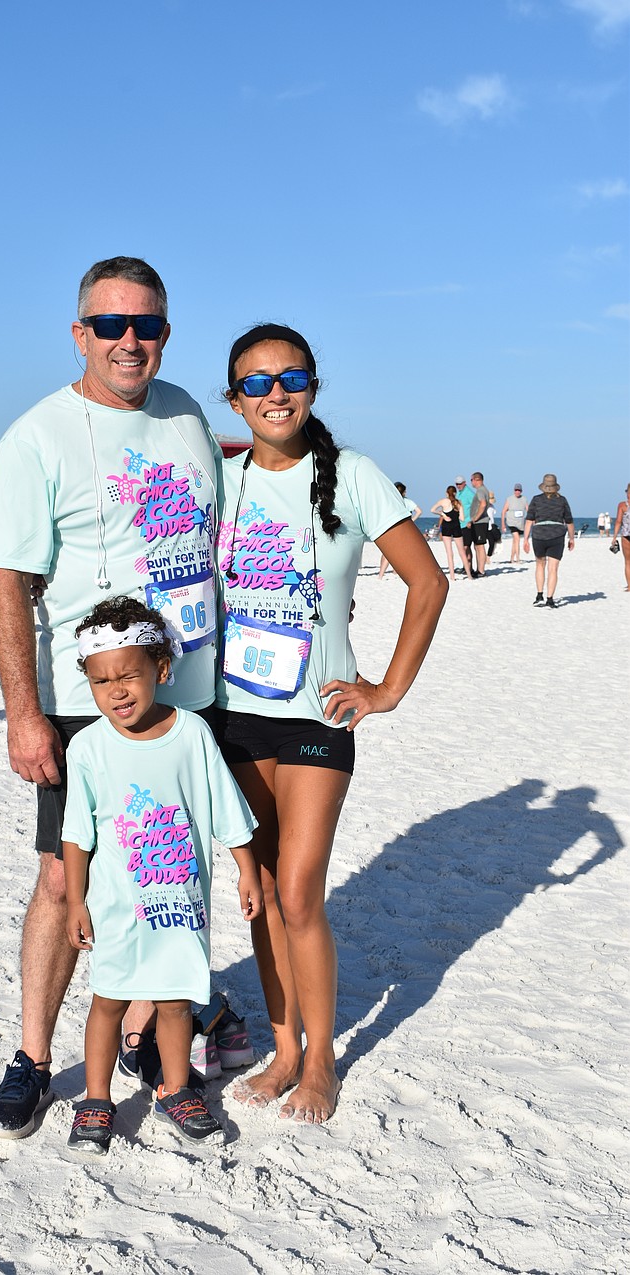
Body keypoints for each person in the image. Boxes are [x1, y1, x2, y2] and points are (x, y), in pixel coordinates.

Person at [0, 256, 226, 1140]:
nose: (130, 341)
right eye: (111, 325)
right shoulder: (36, 437)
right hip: (92, 699)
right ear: (80, 333)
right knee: (62, 875)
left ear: (166, 333)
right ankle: (31, 1058)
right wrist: (23, 711)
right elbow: (9, 583)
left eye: (145, 325)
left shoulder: (189, 414)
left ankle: (138, 1032)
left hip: (190, 693)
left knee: (167, 869)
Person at [213, 324, 448, 1123]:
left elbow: (428, 583)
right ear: (235, 397)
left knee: (300, 890)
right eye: (256, 382)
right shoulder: (222, 478)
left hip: (317, 714)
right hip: (235, 713)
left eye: (292, 377)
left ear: (314, 386)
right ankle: (284, 1050)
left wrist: (387, 688)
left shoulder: (352, 474)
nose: (275, 392)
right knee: (262, 890)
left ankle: (321, 1062)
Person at [61, 596, 261, 1156]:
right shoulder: (87, 747)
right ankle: (96, 1098)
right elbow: (76, 833)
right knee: (108, 1000)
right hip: (116, 906)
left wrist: (246, 869)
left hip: (180, 901)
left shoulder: (191, 733)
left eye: (129, 675)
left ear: (161, 668)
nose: (117, 691)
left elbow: (225, 807)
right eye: (102, 681)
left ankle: (176, 1089)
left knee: (174, 1002)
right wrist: (76, 901)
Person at [523, 473, 575, 608]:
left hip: (539, 535)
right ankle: (550, 599)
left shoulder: (536, 500)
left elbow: (529, 520)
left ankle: (539, 594)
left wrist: (525, 539)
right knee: (553, 569)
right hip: (557, 535)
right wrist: (571, 538)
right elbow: (569, 521)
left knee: (540, 565)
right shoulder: (562, 500)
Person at [377, 483, 422, 577]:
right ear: (403, 492)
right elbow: (419, 511)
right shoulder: (407, 501)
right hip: (404, 527)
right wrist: (412, 521)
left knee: (387, 551)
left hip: (390, 526)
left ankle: (381, 574)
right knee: (400, 550)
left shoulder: (389, 501)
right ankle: (395, 571)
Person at [431, 485, 473, 580]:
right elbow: (462, 518)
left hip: (446, 527)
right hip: (456, 526)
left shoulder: (443, 501)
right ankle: (469, 575)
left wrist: (443, 514)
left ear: (447, 493)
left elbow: (432, 510)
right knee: (462, 552)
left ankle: (452, 576)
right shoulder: (458, 502)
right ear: (455, 493)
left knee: (449, 553)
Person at [467, 471, 490, 576]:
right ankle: (479, 569)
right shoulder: (482, 490)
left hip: (480, 522)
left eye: (471, 480)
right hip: (479, 522)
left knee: (480, 546)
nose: (471, 482)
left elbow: (483, 504)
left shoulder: (481, 490)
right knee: (477, 545)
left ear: (476, 480)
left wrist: (476, 517)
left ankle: (481, 570)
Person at [609, 484, 630, 591]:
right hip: (626, 535)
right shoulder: (622, 505)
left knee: (628, 561)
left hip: (626, 534)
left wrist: (614, 537)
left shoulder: (622, 505)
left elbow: (618, 521)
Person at [501, 484, 527, 563]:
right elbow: (503, 511)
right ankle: (518, 558)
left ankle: (512, 559)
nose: (517, 492)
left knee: (515, 541)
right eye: (516, 490)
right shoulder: (509, 499)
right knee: (517, 539)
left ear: (521, 491)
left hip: (520, 523)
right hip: (511, 522)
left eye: (519, 490)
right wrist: (503, 524)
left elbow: (528, 510)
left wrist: (532, 520)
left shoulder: (524, 499)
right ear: (514, 490)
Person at [455, 476, 475, 573]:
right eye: (457, 484)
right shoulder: (459, 493)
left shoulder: (469, 493)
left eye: (460, 484)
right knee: (463, 547)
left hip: (467, 523)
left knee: (466, 546)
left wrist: (471, 520)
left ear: (464, 483)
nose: (458, 486)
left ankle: (469, 567)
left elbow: (476, 506)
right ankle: (465, 566)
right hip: (460, 524)